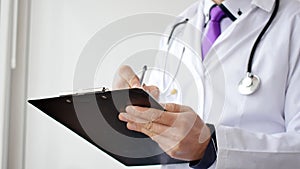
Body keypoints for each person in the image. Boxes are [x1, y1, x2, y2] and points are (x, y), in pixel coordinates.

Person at [113, 0, 300, 168]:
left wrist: (212, 145)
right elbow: (165, 135)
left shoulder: (294, 20)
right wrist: (130, 106)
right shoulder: (178, 26)